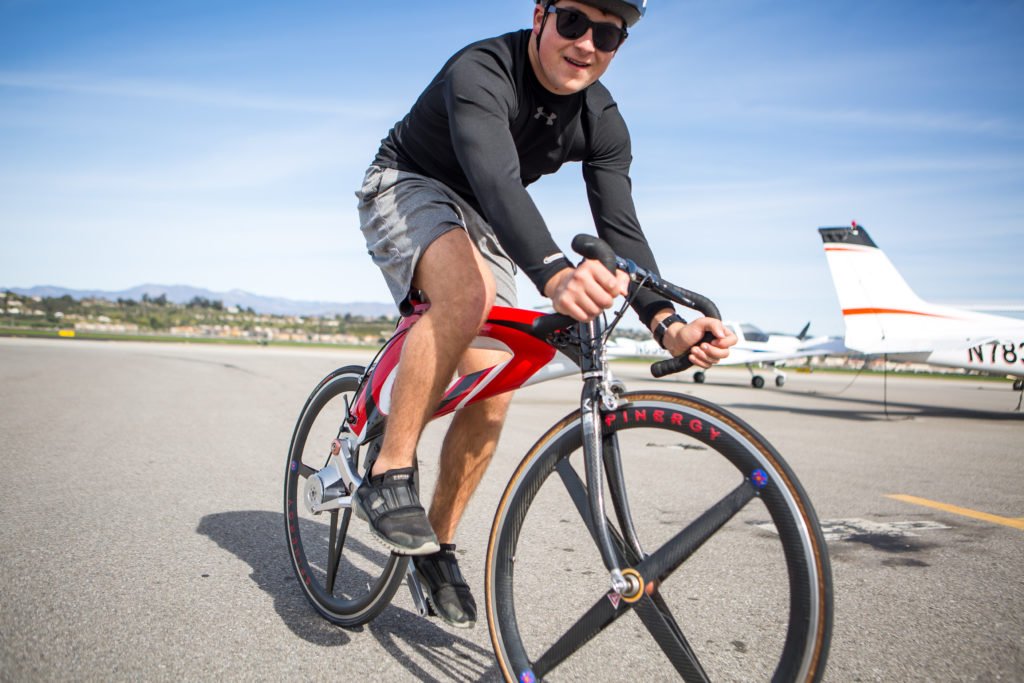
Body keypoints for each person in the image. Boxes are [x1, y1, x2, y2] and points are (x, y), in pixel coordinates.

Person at [353, 0, 737, 629]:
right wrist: (556, 273)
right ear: (539, 16)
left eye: (608, 34)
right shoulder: (480, 70)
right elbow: (498, 178)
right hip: (408, 181)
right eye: (574, 22)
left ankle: (436, 547)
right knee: (465, 299)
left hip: (480, 217)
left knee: (497, 378)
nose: (588, 43)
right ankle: (389, 472)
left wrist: (669, 321)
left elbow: (621, 228)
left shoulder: (603, 119)